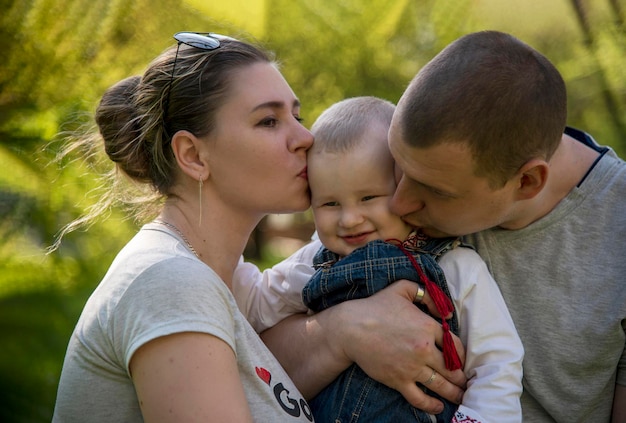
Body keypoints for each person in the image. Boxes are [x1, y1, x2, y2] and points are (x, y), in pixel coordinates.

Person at [235, 31, 626, 422]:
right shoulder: (370, 224)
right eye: (397, 170)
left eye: (432, 189)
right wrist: (342, 332)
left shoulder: (615, 232)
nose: (400, 203)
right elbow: (249, 357)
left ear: (526, 182)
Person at [52, 31, 316, 422]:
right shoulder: (171, 281)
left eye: (297, 116)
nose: (306, 137)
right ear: (192, 155)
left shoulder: (219, 281)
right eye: (269, 121)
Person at [304, 96, 523, 422]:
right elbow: (256, 301)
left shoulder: (454, 264)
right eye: (330, 204)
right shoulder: (316, 260)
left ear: (404, 188)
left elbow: (496, 363)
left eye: (368, 197)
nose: (349, 219)